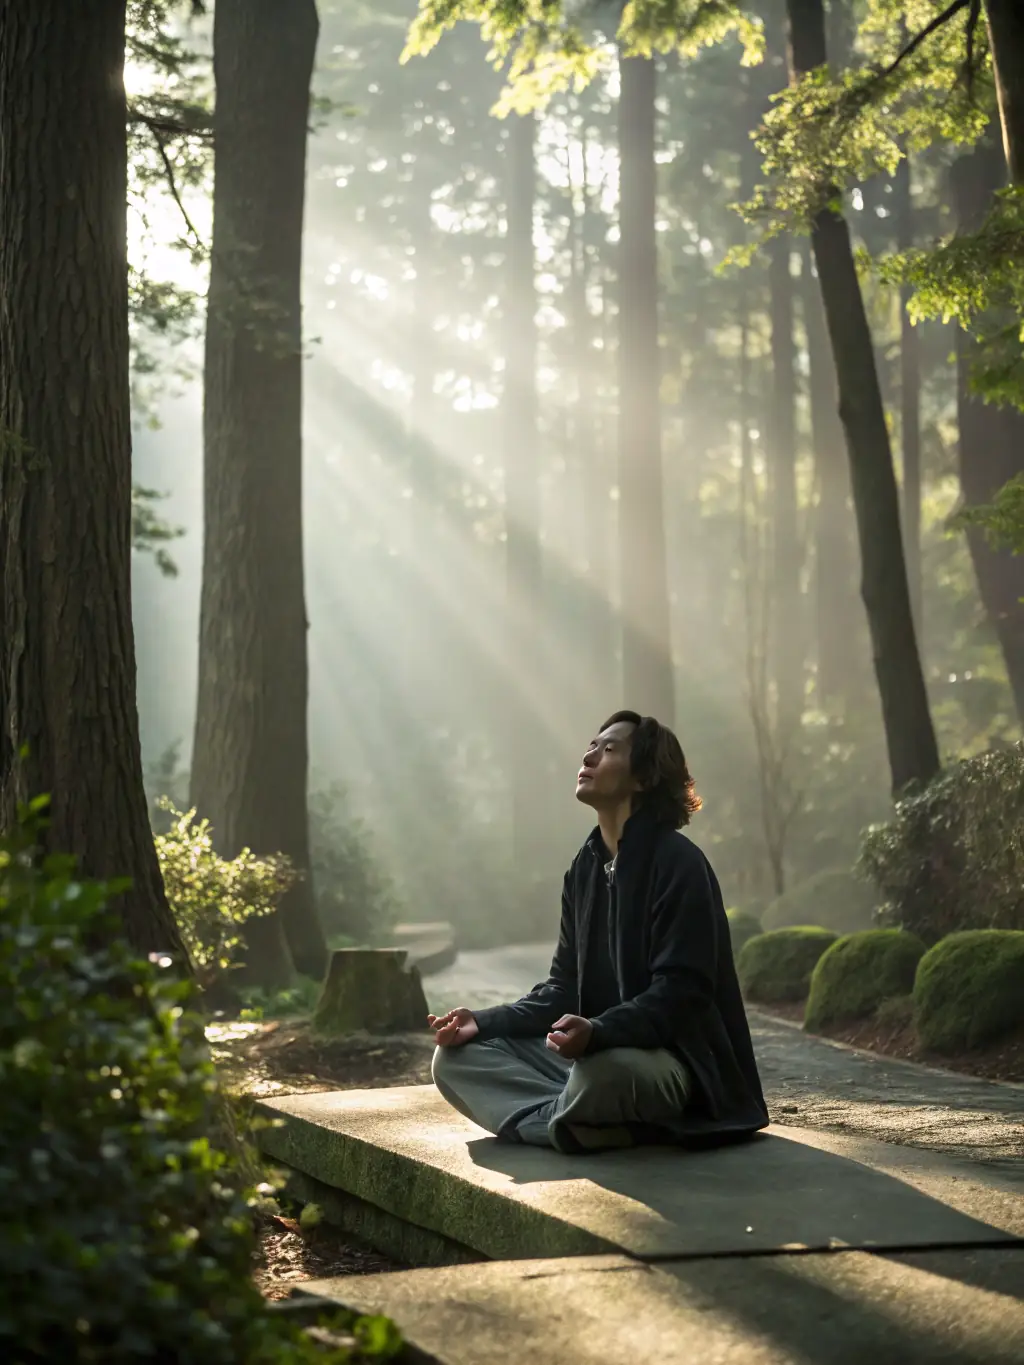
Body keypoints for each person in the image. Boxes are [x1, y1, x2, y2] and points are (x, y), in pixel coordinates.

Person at [427, 710, 770, 1155]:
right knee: (454, 1059)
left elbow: (682, 994)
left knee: (601, 1074)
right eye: (592, 745)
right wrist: (483, 1021)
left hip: (669, 1066)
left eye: (609, 749)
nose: (590, 754)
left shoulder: (679, 864)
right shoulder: (582, 870)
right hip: (593, 1053)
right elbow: (563, 988)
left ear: (644, 778)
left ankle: (566, 1119)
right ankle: (580, 1125)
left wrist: (601, 1030)